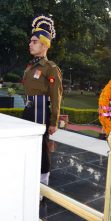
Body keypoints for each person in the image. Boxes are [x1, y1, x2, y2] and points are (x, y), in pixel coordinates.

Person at [22, 15, 63, 191]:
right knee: (29, 145)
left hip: (41, 111)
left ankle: (43, 185)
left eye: (34, 41)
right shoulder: (30, 66)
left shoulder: (50, 68)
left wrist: (54, 121)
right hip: (29, 109)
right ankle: (30, 179)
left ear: (44, 44)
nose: (30, 44)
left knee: (42, 147)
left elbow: (56, 96)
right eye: (30, 41)